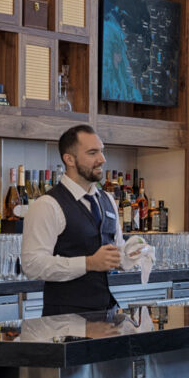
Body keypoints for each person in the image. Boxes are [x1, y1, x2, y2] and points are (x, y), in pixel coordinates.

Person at [22, 125, 131, 316]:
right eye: (92, 153)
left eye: (102, 151)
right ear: (69, 159)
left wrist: (132, 256)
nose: (102, 159)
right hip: (65, 322)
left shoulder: (107, 200)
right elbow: (32, 265)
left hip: (106, 316)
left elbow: (116, 252)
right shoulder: (47, 205)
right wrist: (88, 263)